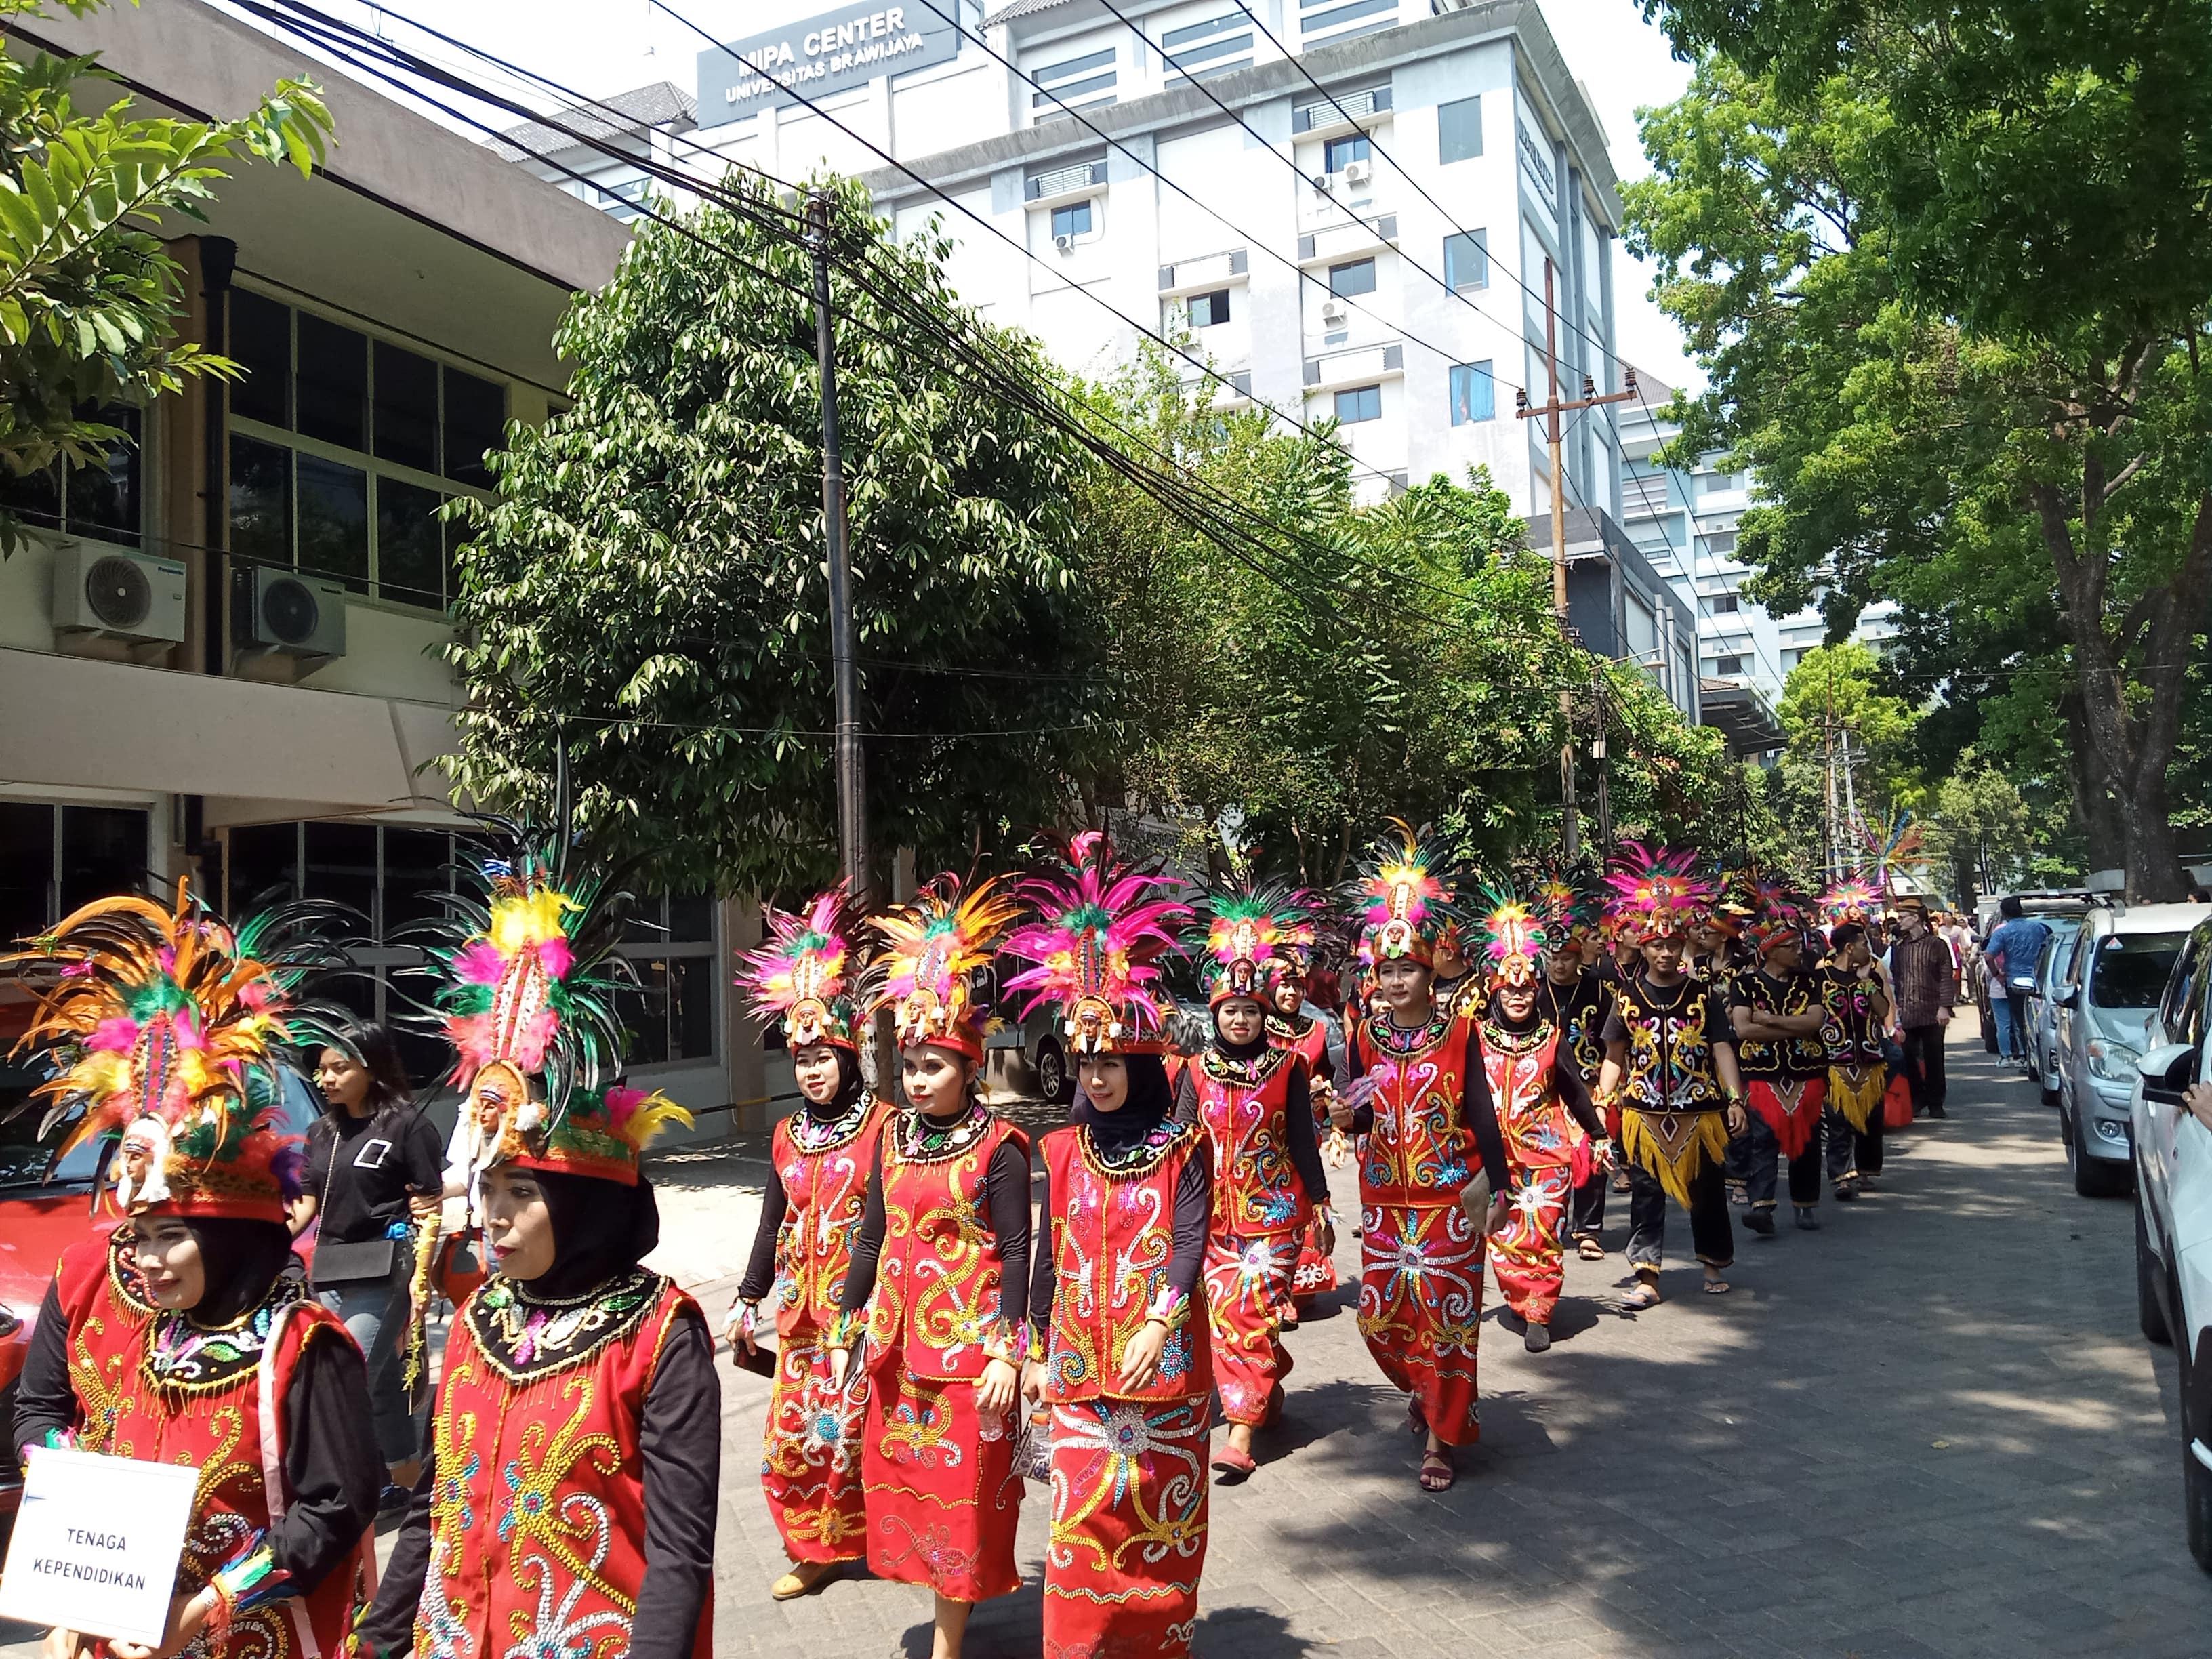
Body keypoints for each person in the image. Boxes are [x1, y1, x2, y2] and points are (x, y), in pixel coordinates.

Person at [354, 827, 717, 1659]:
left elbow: (680, 1552)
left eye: (524, 1194)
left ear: (585, 1206)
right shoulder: (482, 1315)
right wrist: (378, 1641)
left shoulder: (661, 1336)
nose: (495, 1217)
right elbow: (434, 1509)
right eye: (488, 1191)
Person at [7, 884, 382, 1659]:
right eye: (137, 1232)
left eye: (169, 1234)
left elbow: (334, 1505)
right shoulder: (139, 1314)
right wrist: (80, 1568)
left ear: (226, 1232)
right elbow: (46, 1420)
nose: (144, 1256)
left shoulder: (302, 1345)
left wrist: (203, 1607)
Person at [1006, 835, 1212, 1654]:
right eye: (1084, 1061)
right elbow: (1048, 1260)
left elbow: (1189, 1240)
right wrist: (1027, 1348)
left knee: (1161, 1527)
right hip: (1081, 1377)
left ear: (1143, 1062)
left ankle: (1155, 1640)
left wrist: (1161, 1321)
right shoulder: (1060, 1151)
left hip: (1160, 1373)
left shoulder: (1184, 1149)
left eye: (1110, 1061)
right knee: (1077, 1533)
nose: (1094, 1077)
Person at [830, 874, 1030, 1659]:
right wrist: (851, 1319)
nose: (917, 1079)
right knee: (909, 1495)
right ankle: (945, 1615)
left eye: (934, 1066)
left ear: (969, 1068)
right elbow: (871, 1237)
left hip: (968, 1360)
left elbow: (1018, 1250)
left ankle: (949, 1643)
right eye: (909, 1065)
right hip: (895, 1353)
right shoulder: (892, 1138)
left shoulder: (1000, 1148)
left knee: (960, 1504)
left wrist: (1011, 1348)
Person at [1326, 824, 1510, 1492]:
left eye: (1407, 969)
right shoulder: (1365, 1039)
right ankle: (1426, 1389)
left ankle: (1441, 1435)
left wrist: (1502, 1188)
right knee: (1380, 1321)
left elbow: (1484, 1115)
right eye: (1387, 971)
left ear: (1431, 973)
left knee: (1449, 1323)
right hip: (1383, 1207)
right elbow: (1367, 1112)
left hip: (1451, 1205)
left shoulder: (1461, 1034)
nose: (1396, 981)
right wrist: (1346, 1118)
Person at [728, 887, 891, 1601]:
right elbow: (772, 1223)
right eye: (801, 1061)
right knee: (795, 1441)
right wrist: (746, 1296)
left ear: (850, 1056)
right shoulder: (786, 1136)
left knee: (854, 1437)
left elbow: (891, 1226)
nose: (812, 1071)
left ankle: (860, 1540)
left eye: (824, 1057)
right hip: (798, 1318)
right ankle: (814, 1545)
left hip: (864, 1315)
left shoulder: (886, 1126)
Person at [1175, 880, 1326, 1477]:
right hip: (1212, 1218)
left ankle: (1239, 1435)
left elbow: (1302, 1140)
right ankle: (1266, 1390)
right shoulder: (1194, 1069)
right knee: (1225, 1320)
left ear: (1264, 1013)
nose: (1240, 1019)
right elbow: (1179, 1143)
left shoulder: (1289, 1065)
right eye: (1230, 1011)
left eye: (1249, 1010)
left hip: (1275, 1217)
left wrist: (1321, 1204)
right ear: (1217, 1014)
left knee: (1253, 1316)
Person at [289, 1019, 443, 1511]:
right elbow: (307, 1204)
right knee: (378, 1384)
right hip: (329, 1270)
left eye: (339, 1069)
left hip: (386, 1269)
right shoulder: (320, 1132)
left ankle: (351, 1486)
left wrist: (423, 1276)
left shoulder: (407, 1126)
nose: (327, 1079)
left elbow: (430, 1203)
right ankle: (410, 1480)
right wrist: (268, 1238)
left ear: (371, 1068)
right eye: (322, 1071)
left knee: (345, 1374)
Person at [1595, 845, 1749, 1305]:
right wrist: (1603, 1101)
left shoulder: (1706, 996)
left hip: (1701, 1112)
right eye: (1657, 945)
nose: (1665, 952)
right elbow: (1614, 1056)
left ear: (1684, 947)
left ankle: (1711, 1262)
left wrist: (1735, 1099)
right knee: (1646, 1196)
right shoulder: (1626, 998)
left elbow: (1722, 1049)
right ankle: (1647, 1276)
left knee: (1708, 1193)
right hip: (1642, 1113)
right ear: (1644, 946)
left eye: (1672, 944)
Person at [1468, 885, 1610, 1353]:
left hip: (1546, 1155)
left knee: (1544, 1231)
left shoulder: (1550, 1039)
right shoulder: (1475, 1040)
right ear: (1495, 993)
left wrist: (1599, 1134)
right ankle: (1519, 1298)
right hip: (1494, 1158)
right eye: (1508, 990)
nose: (1517, 997)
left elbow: (1573, 1090)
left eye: (1525, 990)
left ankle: (1539, 1312)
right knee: (1504, 1235)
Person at [1727, 896, 1831, 1235]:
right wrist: (1793, 1023)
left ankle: (1805, 1205)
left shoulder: (1809, 982)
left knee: (1808, 1141)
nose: (1799, 951)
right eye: (1790, 946)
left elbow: (1814, 1023)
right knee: (1764, 1139)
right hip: (1762, 1074)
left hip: (1807, 1073)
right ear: (1771, 950)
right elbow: (1743, 1028)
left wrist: (1769, 1020)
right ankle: (1761, 1206)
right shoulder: (1744, 984)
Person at [1534, 869, 1616, 1261]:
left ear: (1578, 955)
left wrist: (1609, 1084)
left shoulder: (1600, 989)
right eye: (1552, 958)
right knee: (1551, 1157)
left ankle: (1589, 1231)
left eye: (1566, 957)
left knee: (1592, 1152)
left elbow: (1613, 1041)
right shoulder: (1533, 994)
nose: (1559, 965)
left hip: (1589, 1082)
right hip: (1546, 1088)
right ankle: (1551, 1223)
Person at [1267, 943, 1343, 1309]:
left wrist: (1323, 1092)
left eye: (1297, 986)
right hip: (1266, 1131)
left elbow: (1327, 1074)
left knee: (1308, 1195)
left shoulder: (1315, 1029)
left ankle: (1307, 1280)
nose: (1291, 993)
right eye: (1283, 985)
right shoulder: (1257, 1026)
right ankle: (1277, 1289)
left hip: (1307, 1128)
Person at [1818, 917, 1892, 1197]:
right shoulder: (1820, 980)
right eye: (1864, 944)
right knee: (1838, 1123)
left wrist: (1867, 984)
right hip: (1835, 1062)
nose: (1868, 950)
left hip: (1870, 1059)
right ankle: (1841, 1176)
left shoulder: (1870, 976)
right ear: (1849, 948)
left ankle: (1865, 1170)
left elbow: (1883, 1010)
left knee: (1871, 1122)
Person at [1888, 898, 1959, 1118]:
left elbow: (1946, 977)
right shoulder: (1899, 947)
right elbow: (1896, 975)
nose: (1899, 922)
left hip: (1932, 1011)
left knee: (1934, 1058)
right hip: (1908, 1011)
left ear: (1916, 918)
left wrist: (1944, 1007)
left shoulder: (1937, 944)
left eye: (1903, 917)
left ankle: (1936, 1102)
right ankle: (1917, 1098)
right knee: (1908, 1056)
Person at [1982, 895, 2053, 1062]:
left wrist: (1998, 975)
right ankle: (2036, 1056)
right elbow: (2048, 947)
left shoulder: (2003, 932)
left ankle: (2025, 1057)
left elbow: (1989, 956)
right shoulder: (2039, 929)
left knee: (2020, 1020)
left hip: (2014, 981)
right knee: (2041, 1020)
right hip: (2040, 980)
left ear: (2004, 914)